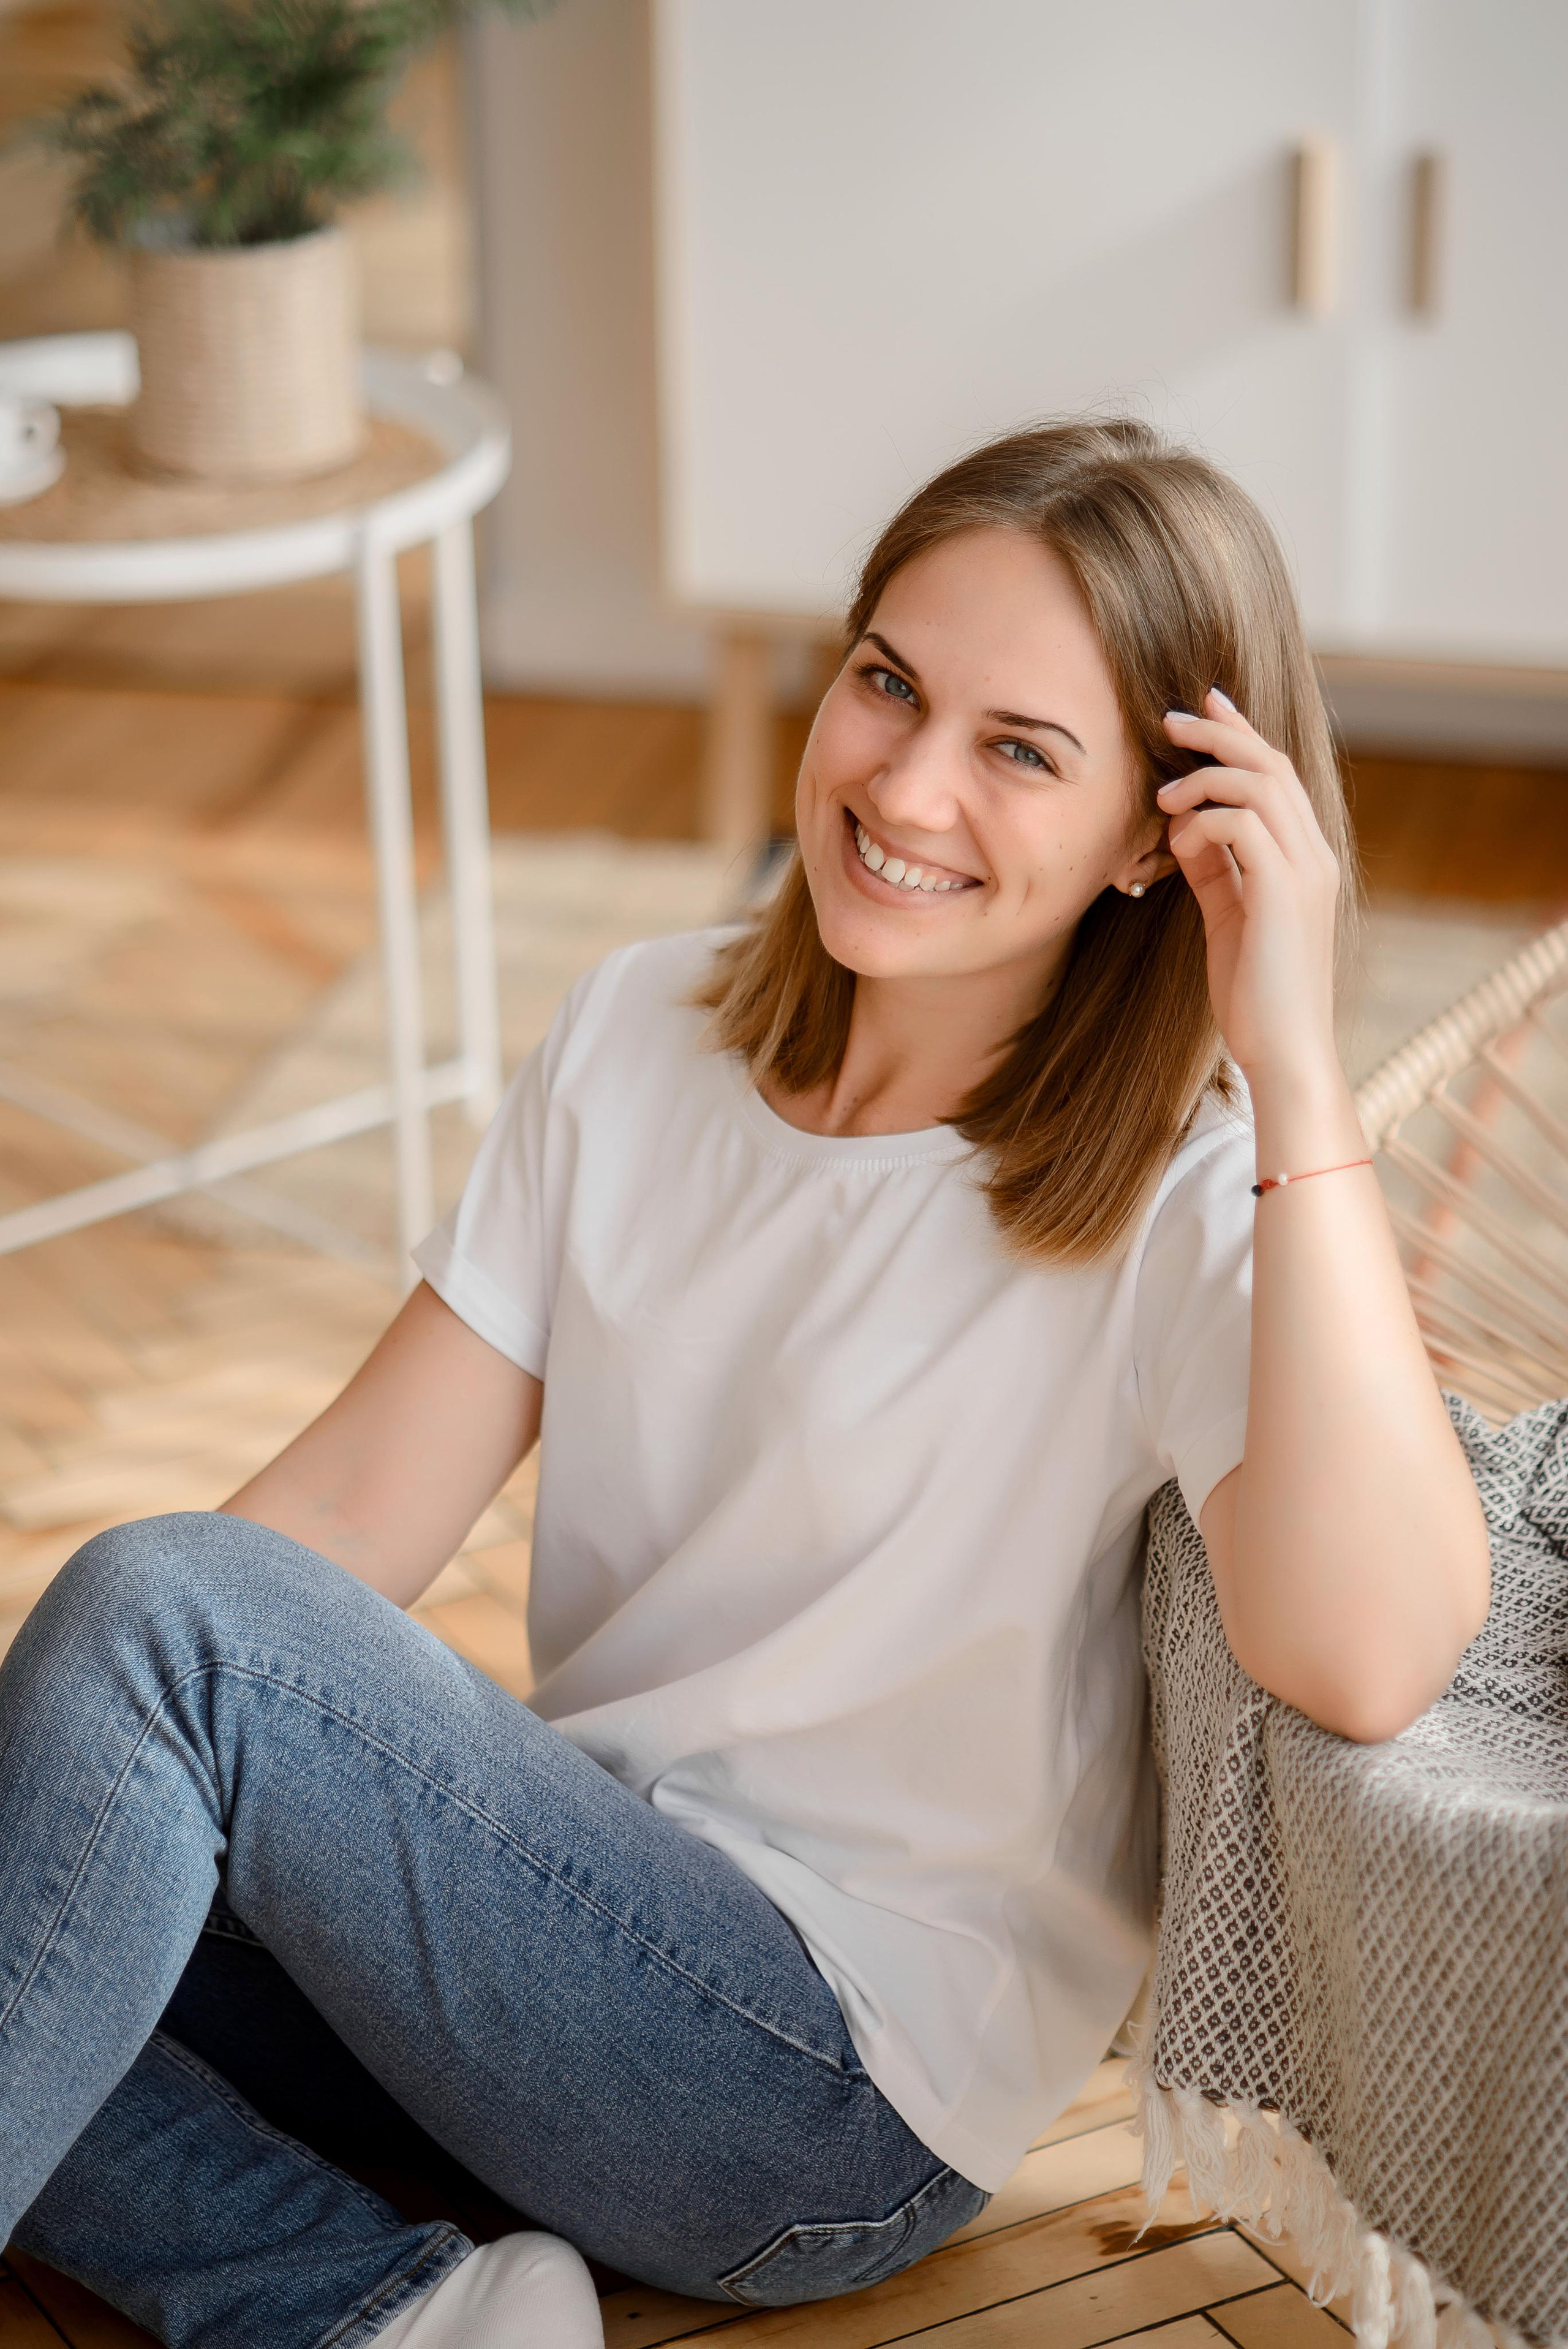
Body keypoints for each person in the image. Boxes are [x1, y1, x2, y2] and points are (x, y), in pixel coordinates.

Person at [0, 420, 1490, 2349]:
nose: (907, 782)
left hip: (822, 2088)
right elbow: (349, 1517)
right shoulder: (639, 1029)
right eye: (889, 682)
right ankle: (382, 2316)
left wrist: (1293, 1063)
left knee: (157, 1623)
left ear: (1158, 836)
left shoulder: (1189, 1201)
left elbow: (1369, 1654)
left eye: (1019, 749)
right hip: (544, 1942)